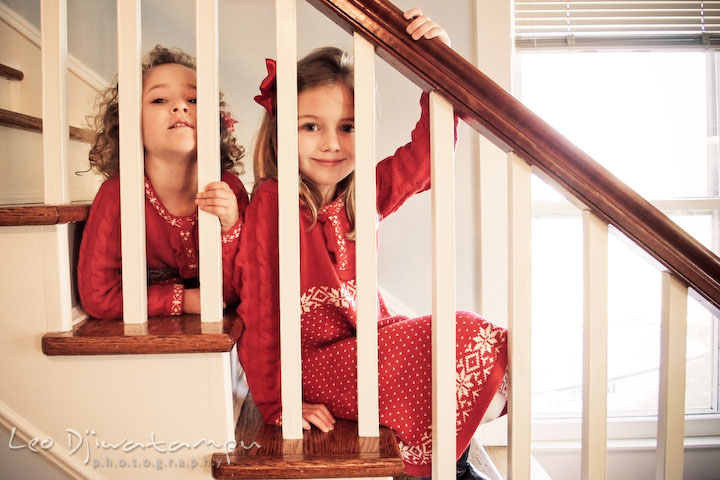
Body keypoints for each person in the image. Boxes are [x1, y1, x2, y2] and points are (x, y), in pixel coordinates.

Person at [233, 9, 507, 479]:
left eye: (348, 126)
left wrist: (436, 65)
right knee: (459, 332)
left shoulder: (365, 191)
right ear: (282, 133)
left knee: (481, 356)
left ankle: (449, 459)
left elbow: (426, 158)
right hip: (314, 365)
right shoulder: (273, 205)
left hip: (366, 345)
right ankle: (448, 467)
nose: (331, 144)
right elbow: (256, 310)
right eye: (311, 126)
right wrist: (277, 401)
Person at [78, 45, 249, 320]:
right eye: (159, 100)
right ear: (128, 121)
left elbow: (237, 291)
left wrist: (231, 226)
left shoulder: (228, 189)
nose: (180, 106)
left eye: (193, 100)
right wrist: (182, 300)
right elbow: (99, 296)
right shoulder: (117, 195)